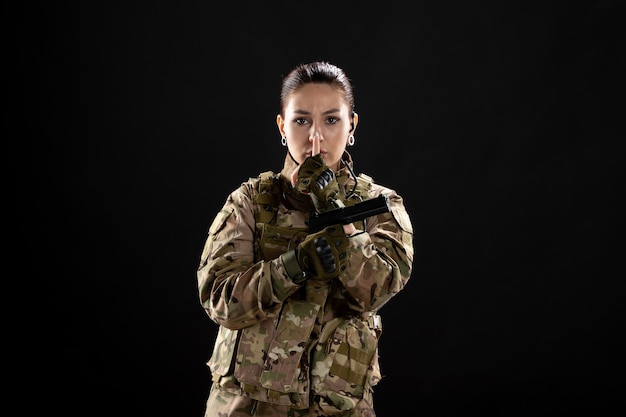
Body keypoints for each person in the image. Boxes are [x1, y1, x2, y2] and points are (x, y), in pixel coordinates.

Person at [196, 61, 414, 417]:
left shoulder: (378, 206)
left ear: (352, 125)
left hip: (338, 409)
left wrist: (336, 207)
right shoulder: (249, 201)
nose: (316, 137)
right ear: (282, 126)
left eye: (331, 120)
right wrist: (292, 266)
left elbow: (379, 288)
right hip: (246, 407)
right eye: (301, 120)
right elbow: (219, 299)